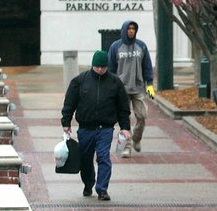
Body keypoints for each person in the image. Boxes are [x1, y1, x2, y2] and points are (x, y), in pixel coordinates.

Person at [61, 50, 131, 201]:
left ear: (107, 66)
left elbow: (123, 107)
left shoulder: (115, 82)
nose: (100, 69)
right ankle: (88, 183)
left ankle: (102, 189)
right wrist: (66, 122)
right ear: (92, 65)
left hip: (105, 128)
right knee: (86, 160)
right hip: (85, 128)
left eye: (103, 67)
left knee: (103, 157)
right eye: (97, 67)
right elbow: (69, 103)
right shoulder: (80, 81)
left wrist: (125, 127)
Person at [107, 19, 155, 156]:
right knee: (124, 118)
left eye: (133, 29)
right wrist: (111, 87)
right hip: (121, 90)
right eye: (129, 29)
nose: (131, 31)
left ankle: (136, 139)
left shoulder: (141, 46)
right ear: (124, 30)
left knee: (142, 116)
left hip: (138, 88)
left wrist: (150, 85)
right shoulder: (116, 47)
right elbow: (110, 69)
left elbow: (147, 66)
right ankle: (126, 147)